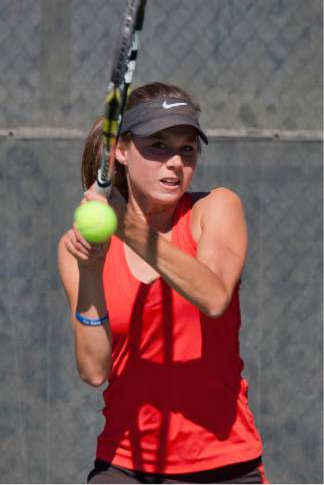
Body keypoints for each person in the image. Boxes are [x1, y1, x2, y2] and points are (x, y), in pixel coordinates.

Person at [58, 82, 268, 484]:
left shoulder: (217, 208)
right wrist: (90, 269)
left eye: (186, 149)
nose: (175, 163)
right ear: (120, 150)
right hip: (123, 464)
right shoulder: (76, 248)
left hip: (225, 463)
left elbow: (213, 296)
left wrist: (130, 228)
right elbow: (93, 370)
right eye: (158, 146)